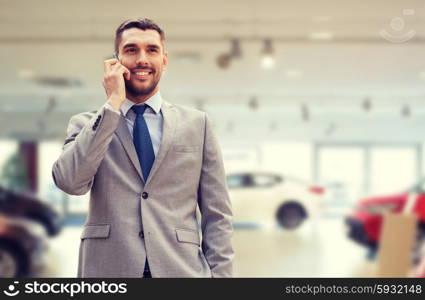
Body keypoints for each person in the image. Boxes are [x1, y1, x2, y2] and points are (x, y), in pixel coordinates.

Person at [52, 18, 233, 278]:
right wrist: (113, 103)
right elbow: (70, 182)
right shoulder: (87, 124)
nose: (142, 59)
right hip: (108, 270)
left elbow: (218, 214)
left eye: (152, 50)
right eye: (131, 50)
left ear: (164, 59)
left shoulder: (197, 124)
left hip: (180, 268)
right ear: (116, 61)